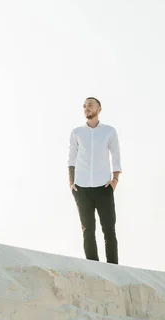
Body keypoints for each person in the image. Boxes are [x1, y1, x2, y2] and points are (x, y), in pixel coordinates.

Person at [68, 97, 122, 264]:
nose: (86, 108)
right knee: (87, 230)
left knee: (109, 230)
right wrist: (71, 183)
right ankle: (94, 268)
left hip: (104, 187)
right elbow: (71, 159)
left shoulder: (109, 131)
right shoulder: (77, 132)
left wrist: (115, 180)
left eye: (90, 105)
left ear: (99, 109)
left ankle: (113, 268)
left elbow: (116, 155)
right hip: (81, 188)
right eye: (84, 106)